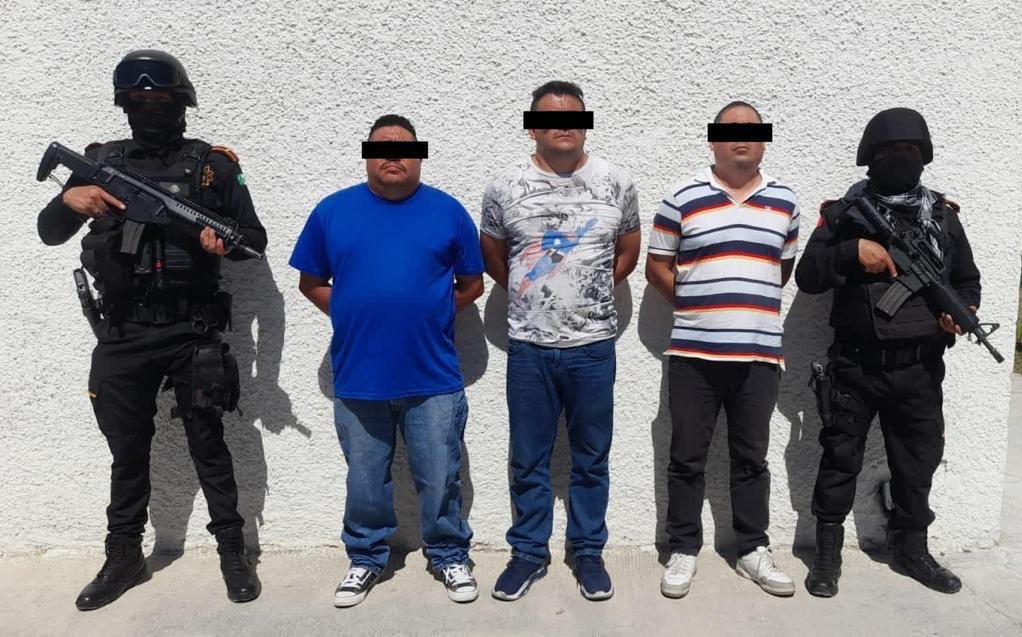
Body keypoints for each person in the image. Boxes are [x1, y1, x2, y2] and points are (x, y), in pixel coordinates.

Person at [36, 49, 266, 610]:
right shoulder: (100, 160)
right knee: (127, 448)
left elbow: (253, 242)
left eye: (160, 99)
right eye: (138, 100)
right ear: (124, 105)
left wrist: (221, 244)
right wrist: (69, 199)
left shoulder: (212, 167)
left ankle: (232, 550)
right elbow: (48, 231)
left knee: (208, 442)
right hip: (122, 332)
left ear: (181, 103)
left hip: (192, 329)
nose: (150, 108)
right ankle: (123, 556)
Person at [290, 114, 485, 607]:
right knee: (365, 480)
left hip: (433, 376)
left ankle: (448, 554)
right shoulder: (332, 212)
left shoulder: (447, 211)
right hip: (360, 377)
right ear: (366, 156)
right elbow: (310, 282)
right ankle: (365, 557)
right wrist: (353, 311)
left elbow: (473, 284)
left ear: (420, 156)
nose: (393, 155)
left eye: (405, 147)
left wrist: (433, 310)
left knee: (440, 475)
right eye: (381, 147)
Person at [795, 107, 981, 597]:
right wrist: (850, 252)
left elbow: (966, 280)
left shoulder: (941, 216)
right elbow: (808, 276)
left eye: (911, 150)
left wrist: (962, 311)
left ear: (925, 157)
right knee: (840, 459)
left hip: (920, 368)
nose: (903, 158)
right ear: (870, 158)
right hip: (856, 366)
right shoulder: (844, 215)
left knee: (918, 462)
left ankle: (912, 549)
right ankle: (827, 556)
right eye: (892, 151)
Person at [480, 81, 641, 602]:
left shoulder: (617, 181)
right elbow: (495, 257)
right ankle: (528, 553)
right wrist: (535, 292)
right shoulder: (504, 187)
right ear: (533, 128)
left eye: (574, 116)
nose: (564, 125)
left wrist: (588, 292)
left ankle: (588, 551)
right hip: (529, 347)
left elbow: (628, 252)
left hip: (594, 347)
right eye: (550, 117)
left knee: (591, 457)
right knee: (528, 458)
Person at [646, 101, 799, 598]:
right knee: (686, 457)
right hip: (695, 355)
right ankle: (683, 548)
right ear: (712, 140)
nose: (742, 138)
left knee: (751, 458)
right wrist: (700, 303)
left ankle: (752, 548)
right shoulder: (681, 197)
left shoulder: (785, 202)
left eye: (753, 130)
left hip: (759, 356)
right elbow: (657, 266)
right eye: (730, 130)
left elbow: (781, 271)